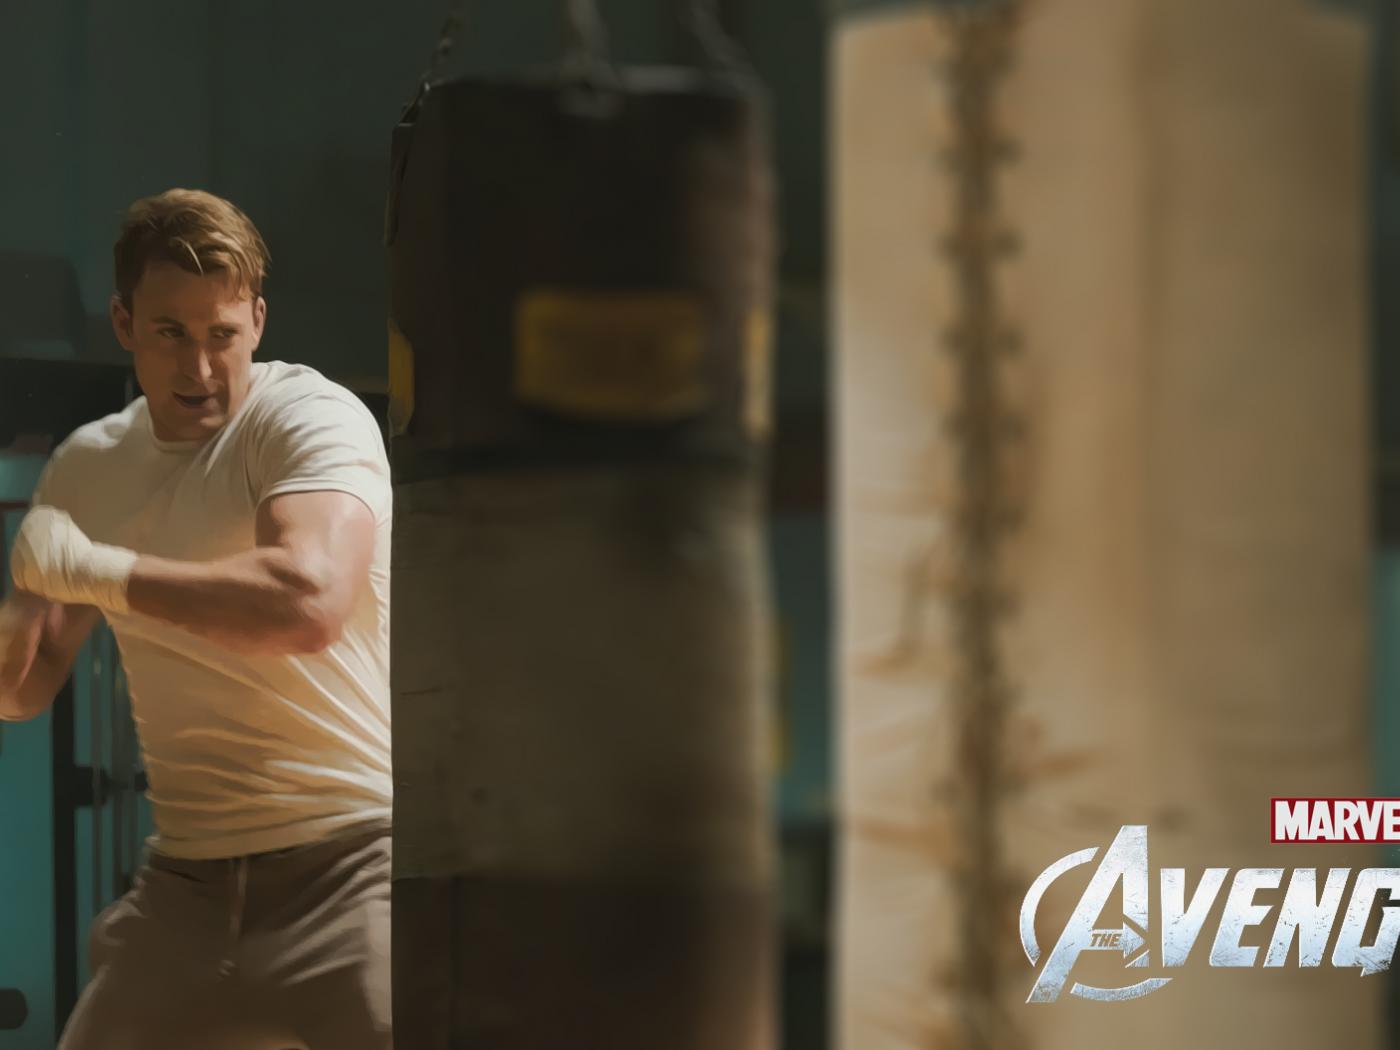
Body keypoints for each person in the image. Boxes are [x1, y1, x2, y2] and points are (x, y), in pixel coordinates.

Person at [0, 188, 394, 1049]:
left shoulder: (307, 419)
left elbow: (308, 603)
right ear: (123, 323)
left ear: (258, 321)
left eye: (222, 334)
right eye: (171, 333)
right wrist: (17, 615)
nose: (201, 368)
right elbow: (20, 688)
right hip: (183, 888)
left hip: (352, 868)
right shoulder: (90, 467)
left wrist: (99, 572)